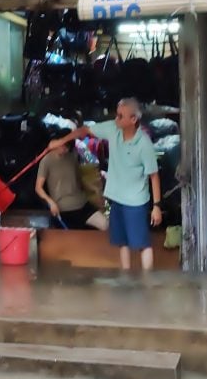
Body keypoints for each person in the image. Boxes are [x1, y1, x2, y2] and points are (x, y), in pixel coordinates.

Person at [48, 98, 162, 271]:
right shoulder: (112, 129)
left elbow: (154, 176)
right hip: (117, 199)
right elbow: (84, 130)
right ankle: (126, 277)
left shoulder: (144, 144)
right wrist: (61, 141)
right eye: (116, 115)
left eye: (120, 116)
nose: (116, 119)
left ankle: (148, 282)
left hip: (136, 202)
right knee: (122, 242)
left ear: (133, 119)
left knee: (142, 244)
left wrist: (156, 206)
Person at [36, 128, 107, 230]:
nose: (66, 150)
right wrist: (50, 202)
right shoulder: (46, 161)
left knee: (105, 224)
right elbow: (38, 188)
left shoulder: (72, 156)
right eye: (64, 147)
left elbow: (80, 178)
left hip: (82, 203)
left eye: (68, 148)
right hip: (64, 209)